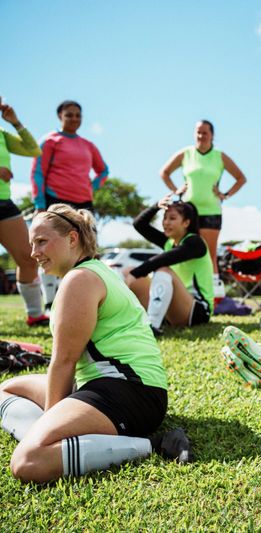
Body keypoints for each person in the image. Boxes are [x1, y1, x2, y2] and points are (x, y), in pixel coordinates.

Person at [0, 205, 190, 483]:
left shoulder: (81, 279)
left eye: (41, 241)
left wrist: (50, 420)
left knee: (29, 462)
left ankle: (158, 444)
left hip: (129, 392)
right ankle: (62, 437)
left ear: (72, 239)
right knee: (6, 389)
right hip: (105, 384)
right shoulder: (94, 270)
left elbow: (64, 362)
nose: (33, 253)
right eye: (32, 244)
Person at [30, 100, 109, 309]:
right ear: (60, 117)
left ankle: (86, 298)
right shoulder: (50, 140)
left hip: (84, 203)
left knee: (88, 248)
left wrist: (91, 186)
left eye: (78, 115)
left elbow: (104, 170)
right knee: (50, 249)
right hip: (55, 201)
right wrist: (39, 203)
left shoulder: (88, 145)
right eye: (69, 115)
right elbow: (37, 172)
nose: (74, 119)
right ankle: (49, 303)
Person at [160, 120, 247, 279]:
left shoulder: (219, 156)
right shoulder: (186, 154)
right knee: (184, 251)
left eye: (205, 132)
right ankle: (181, 288)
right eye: (198, 132)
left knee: (209, 254)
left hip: (211, 211)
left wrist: (225, 195)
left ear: (212, 135)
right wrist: (176, 190)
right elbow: (164, 172)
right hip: (187, 212)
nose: (201, 136)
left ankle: (213, 294)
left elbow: (241, 178)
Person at [126, 195, 215, 335]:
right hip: (174, 306)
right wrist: (156, 206)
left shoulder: (196, 243)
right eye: (165, 218)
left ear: (186, 223)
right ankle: (131, 321)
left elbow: (162, 260)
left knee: (162, 270)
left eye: (172, 218)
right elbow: (139, 224)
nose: (166, 223)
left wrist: (135, 273)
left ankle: (152, 326)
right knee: (127, 271)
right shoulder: (168, 242)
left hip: (197, 310)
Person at [0, 99, 47, 325]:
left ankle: (35, 314)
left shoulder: (2, 134)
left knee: (29, 259)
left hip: (4, 203)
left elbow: (33, 150)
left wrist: (15, 122)